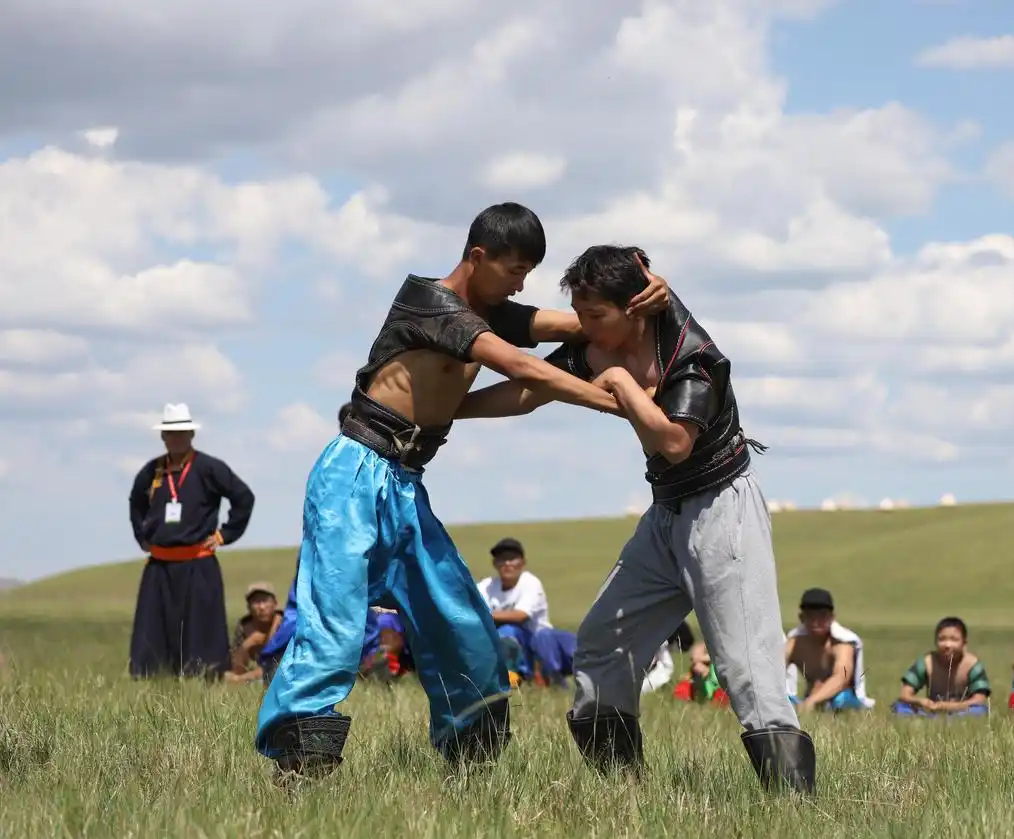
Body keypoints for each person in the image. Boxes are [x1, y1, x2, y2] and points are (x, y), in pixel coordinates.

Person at [253, 205, 671, 780]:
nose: (521, 284)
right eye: (514, 270)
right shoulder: (429, 303)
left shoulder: (488, 311)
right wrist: (619, 402)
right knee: (336, 625)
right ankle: (300, 767)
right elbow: (524, 368)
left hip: (406, 485)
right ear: (478, 257)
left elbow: (582, 323)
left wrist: (648, 296)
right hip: (352, 475)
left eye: (528, 273)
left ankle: (471, 766)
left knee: (462, 623)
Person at [455, 245, 814, 794]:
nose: (584, 326)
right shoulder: (599, 344)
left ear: (635, 308)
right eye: (580, 313)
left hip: (723, 512)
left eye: (596, 315)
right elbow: (531, 389)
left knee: (748, 668)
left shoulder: (692, 357)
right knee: (603, 644)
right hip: (666, 515)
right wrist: (446, 410)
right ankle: (623, 791)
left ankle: (794, 807)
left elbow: (674, 441)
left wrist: (622, 382)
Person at [127, 403, 255, 679]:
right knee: (155, 633)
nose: (176, 438)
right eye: (171, 433)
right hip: (159, 566)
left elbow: (244, 497)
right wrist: (142, 536)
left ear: (192, 435)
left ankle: (204, 681)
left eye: (182, 433)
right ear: (163, 437)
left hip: (198, 564)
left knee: (202, 632)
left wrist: (225, 534)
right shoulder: (152, 471)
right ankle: (154, 680)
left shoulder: (209, 468)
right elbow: (135, 503)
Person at [475, 538, 576, 687]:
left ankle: (554, 679)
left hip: (541, 645)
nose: (507, 564)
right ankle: (512, 677)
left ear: (522, 562)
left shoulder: (530, 582)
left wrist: (486, 616)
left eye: (512, 558)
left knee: (536, 635)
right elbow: (470, 609)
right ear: (495, 563)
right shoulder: (486, 586)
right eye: (502, 559)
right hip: (506, 645)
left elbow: (521, 615)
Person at [784, 588, 871, 713]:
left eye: (822, 616)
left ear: (832, 617)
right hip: (808, 698)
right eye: (810, 616)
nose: (816, 622)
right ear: (802, 618)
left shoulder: (842, 643)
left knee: (840, 701)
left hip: (843, 697)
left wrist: (811, 702)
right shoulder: (795, 643)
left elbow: (842, 677)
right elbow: (774, 671)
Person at [891, 617, 990, 717]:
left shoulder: (973, 665)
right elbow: (904, 695)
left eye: (954, 640)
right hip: (931, 710)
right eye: (942, 639)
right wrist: (921, 702)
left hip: (962, 711)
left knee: (979, 710)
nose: (947, 645)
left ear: (964, 643)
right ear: (935, 642)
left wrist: (950, 706)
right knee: (900, 707)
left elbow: (979, 699)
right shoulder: (926, 662)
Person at [225, 583, 284, 685]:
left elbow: (275, 663)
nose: (261, 607)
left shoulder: (285, 623)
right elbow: (237, 668)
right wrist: (249, 642)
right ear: (249, 607)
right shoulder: (244, 626)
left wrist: (240, 679)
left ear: (275, 604)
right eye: (256, 602)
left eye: (265, 601)